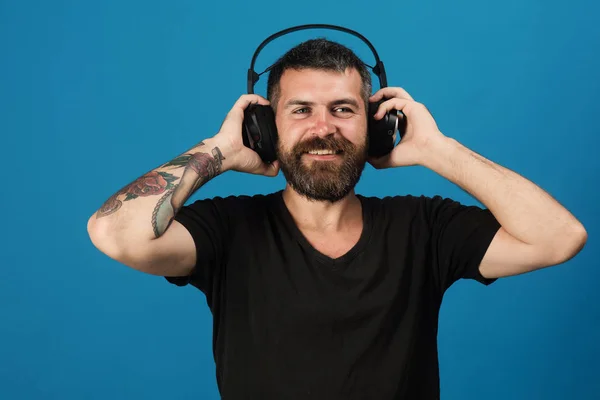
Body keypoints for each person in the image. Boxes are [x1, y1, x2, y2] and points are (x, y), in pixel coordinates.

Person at [87, 38, 587, 399]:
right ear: (264, 128)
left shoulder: (424, 227)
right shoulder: (227, 230)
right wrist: (219, 149)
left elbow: (559, 238)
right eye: (300, 110)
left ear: (376, 126)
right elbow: (116, 233)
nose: (323, 128)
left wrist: (439, 150)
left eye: (343, 109)